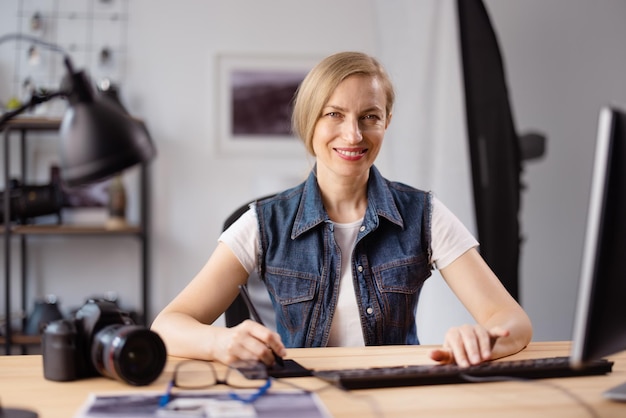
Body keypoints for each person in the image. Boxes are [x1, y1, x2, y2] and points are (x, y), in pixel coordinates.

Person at [151, 51, 533, 368]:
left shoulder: (424, 214)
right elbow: (167, 325)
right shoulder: (263, 222)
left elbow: (512, 321)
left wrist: (484, 339)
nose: (353, 135)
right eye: (334, 114)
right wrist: (221, 343)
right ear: (309, 123)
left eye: (370, 117)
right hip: (303, 399)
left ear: (386, 122)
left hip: (396, 398)